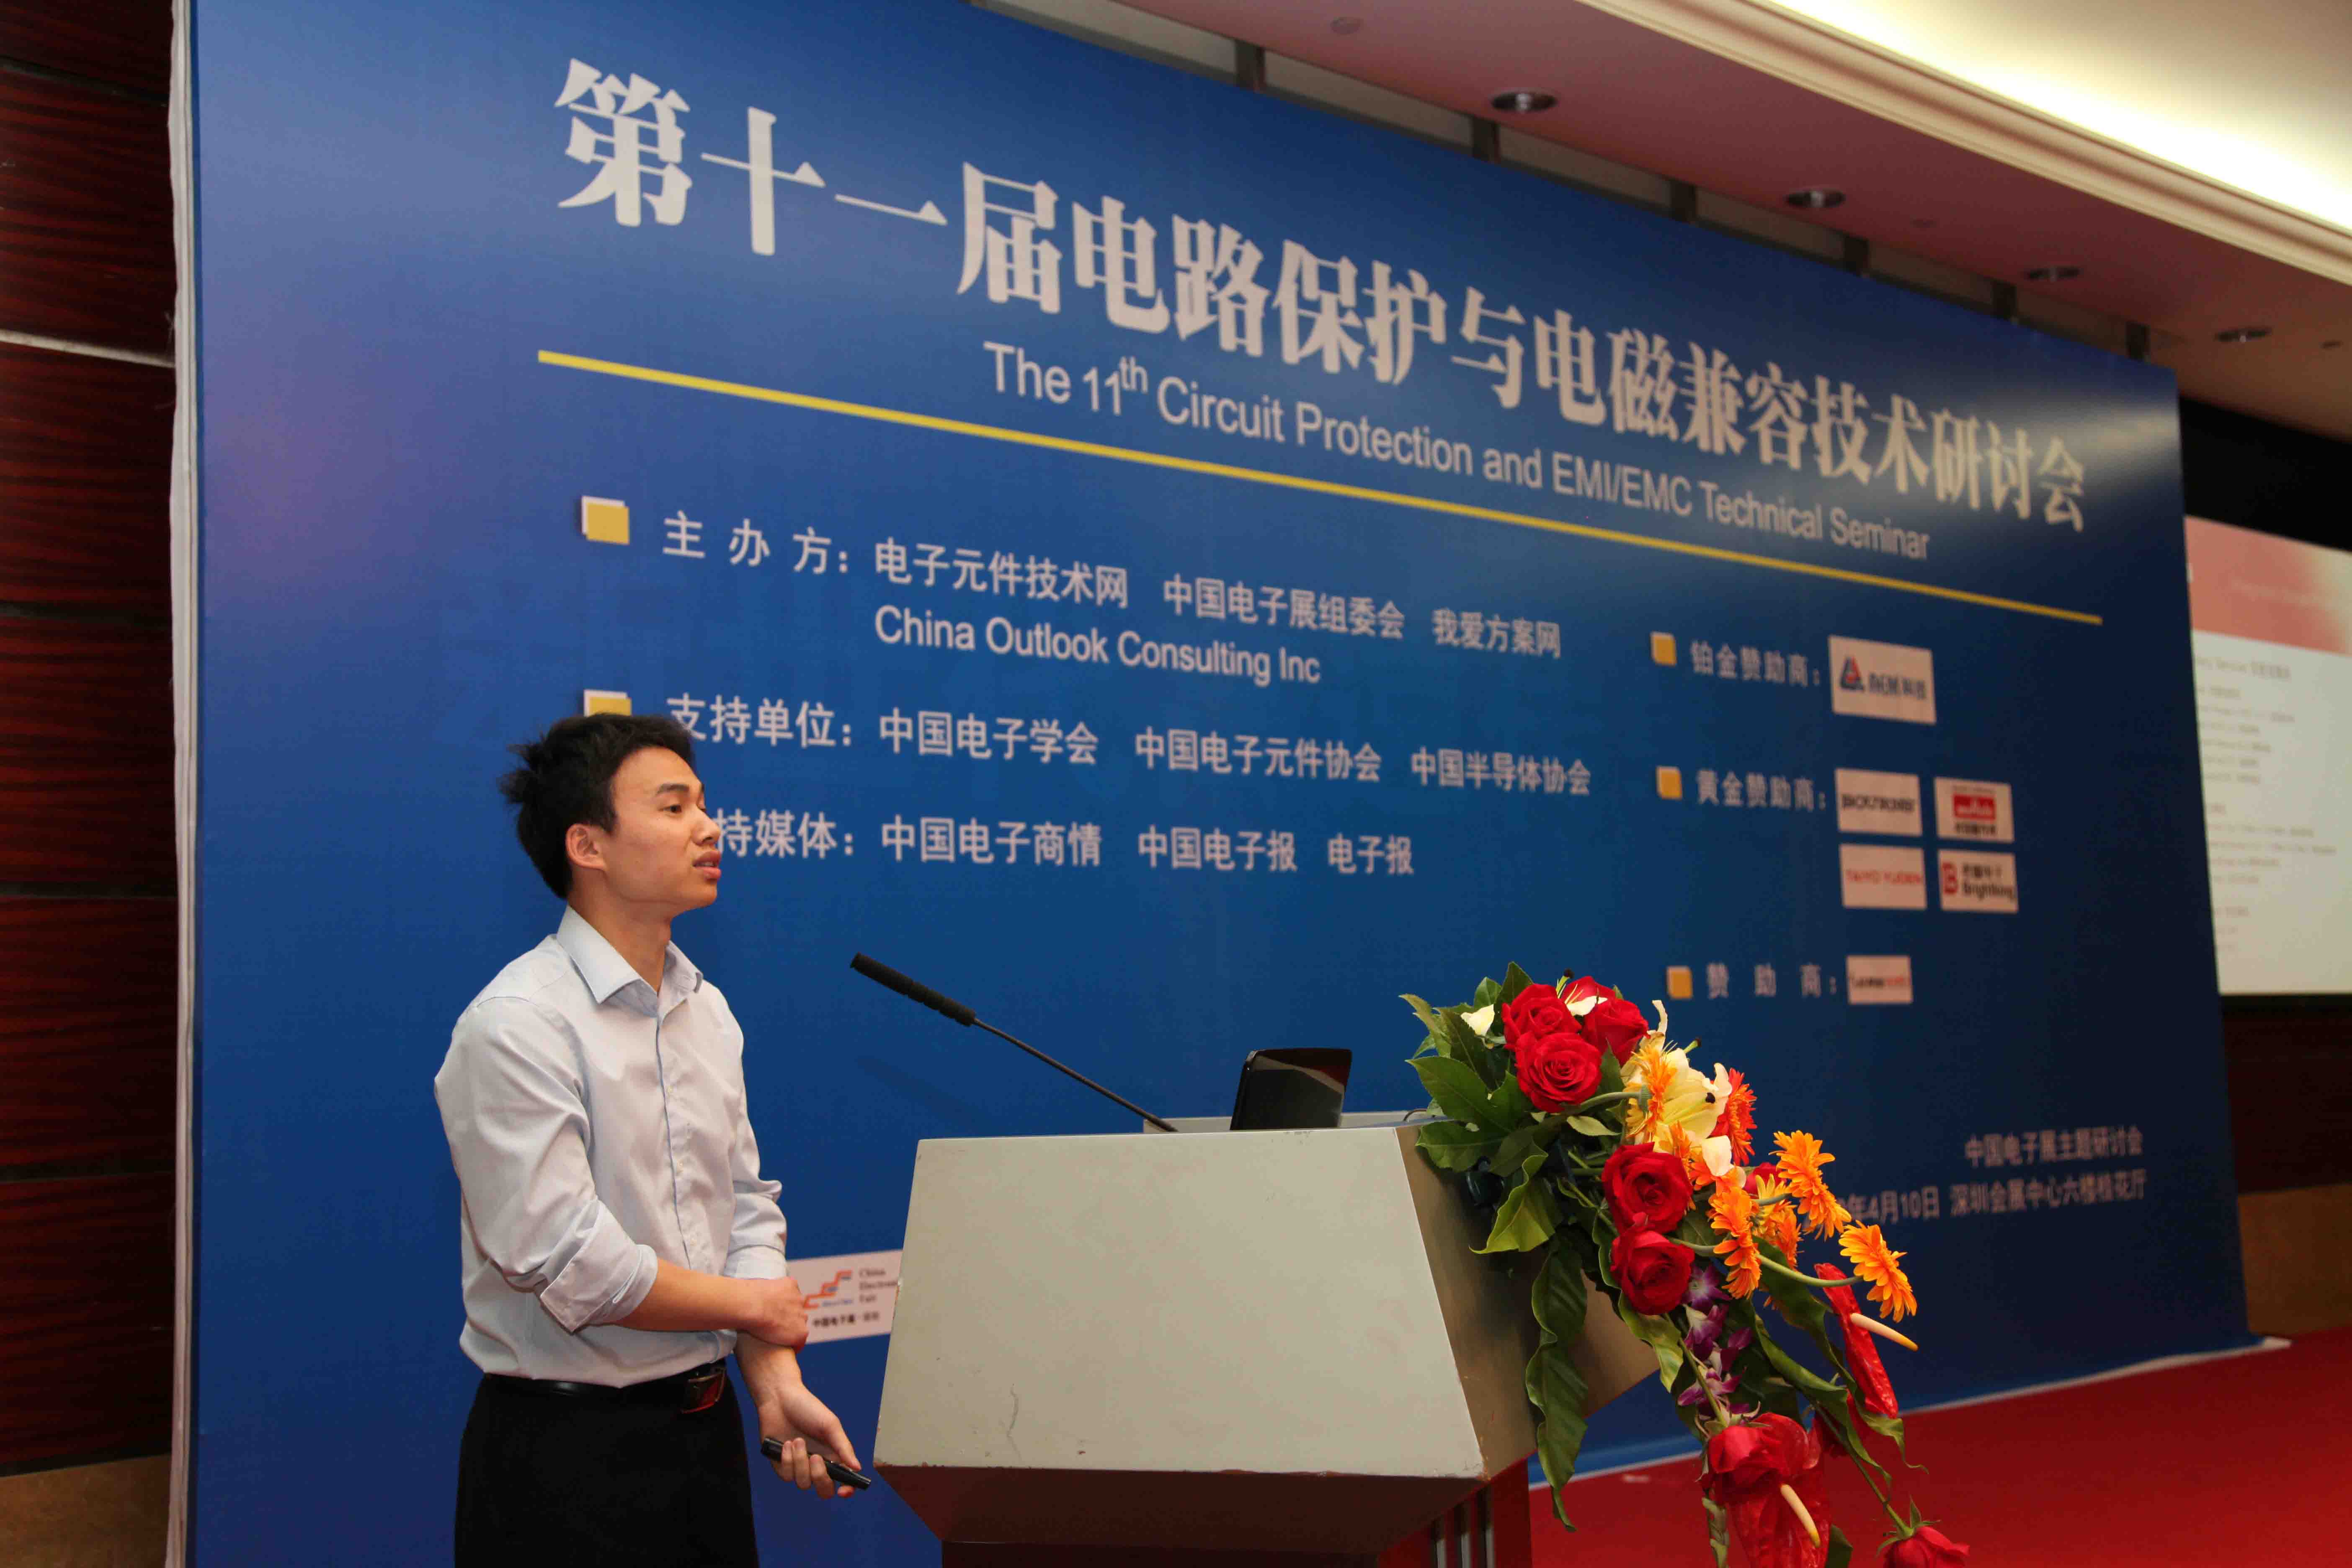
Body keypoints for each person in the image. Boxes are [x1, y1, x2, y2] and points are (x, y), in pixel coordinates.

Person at [434, 712, 856, 1566]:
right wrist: (752, 1306)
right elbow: (568, 1258)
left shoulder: (707, 1010)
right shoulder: (518, 1023)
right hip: (565, 1459)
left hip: (707, 1439)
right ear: (588, 845)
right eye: (673, 808)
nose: (709, 827)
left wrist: (773, 1379)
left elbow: (744, 1208)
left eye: (703, 803)